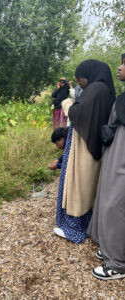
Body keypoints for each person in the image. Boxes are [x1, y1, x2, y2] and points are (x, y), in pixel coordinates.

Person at [54, 59, 116, 243]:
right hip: (93, 145)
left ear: (88, 75)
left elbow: (77, 113)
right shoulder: (105, 90)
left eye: (80, 78)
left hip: (84, 148)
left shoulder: (96, 89)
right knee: (87, 186)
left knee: (78, 185)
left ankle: (75, 230)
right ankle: (87, 226)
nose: (79, 82)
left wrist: (66, 104)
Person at [88, 54, 125, 280]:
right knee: (109, 198)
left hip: (122, 158)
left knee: (117, 204)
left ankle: (118, 264)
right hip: (116, 154)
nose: (120, 68)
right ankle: (113, 250)